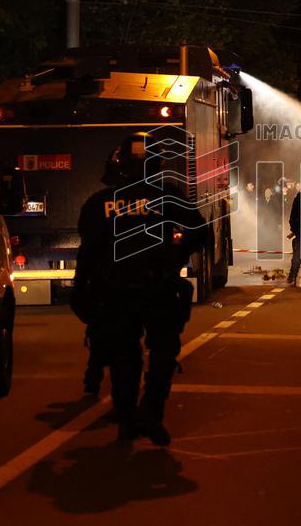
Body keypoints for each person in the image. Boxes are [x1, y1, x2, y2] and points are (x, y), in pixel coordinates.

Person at [71, 134, 206, 445]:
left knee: (123, 356)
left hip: (115, 291)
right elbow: (200, 232)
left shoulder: (98, 203)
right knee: (163, 352)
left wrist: (82, 292)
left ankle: (127, 418)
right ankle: (151, 411)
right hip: (158, 287)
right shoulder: (169, 196)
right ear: (157, 165)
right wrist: (176, 258)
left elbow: (88, 253)